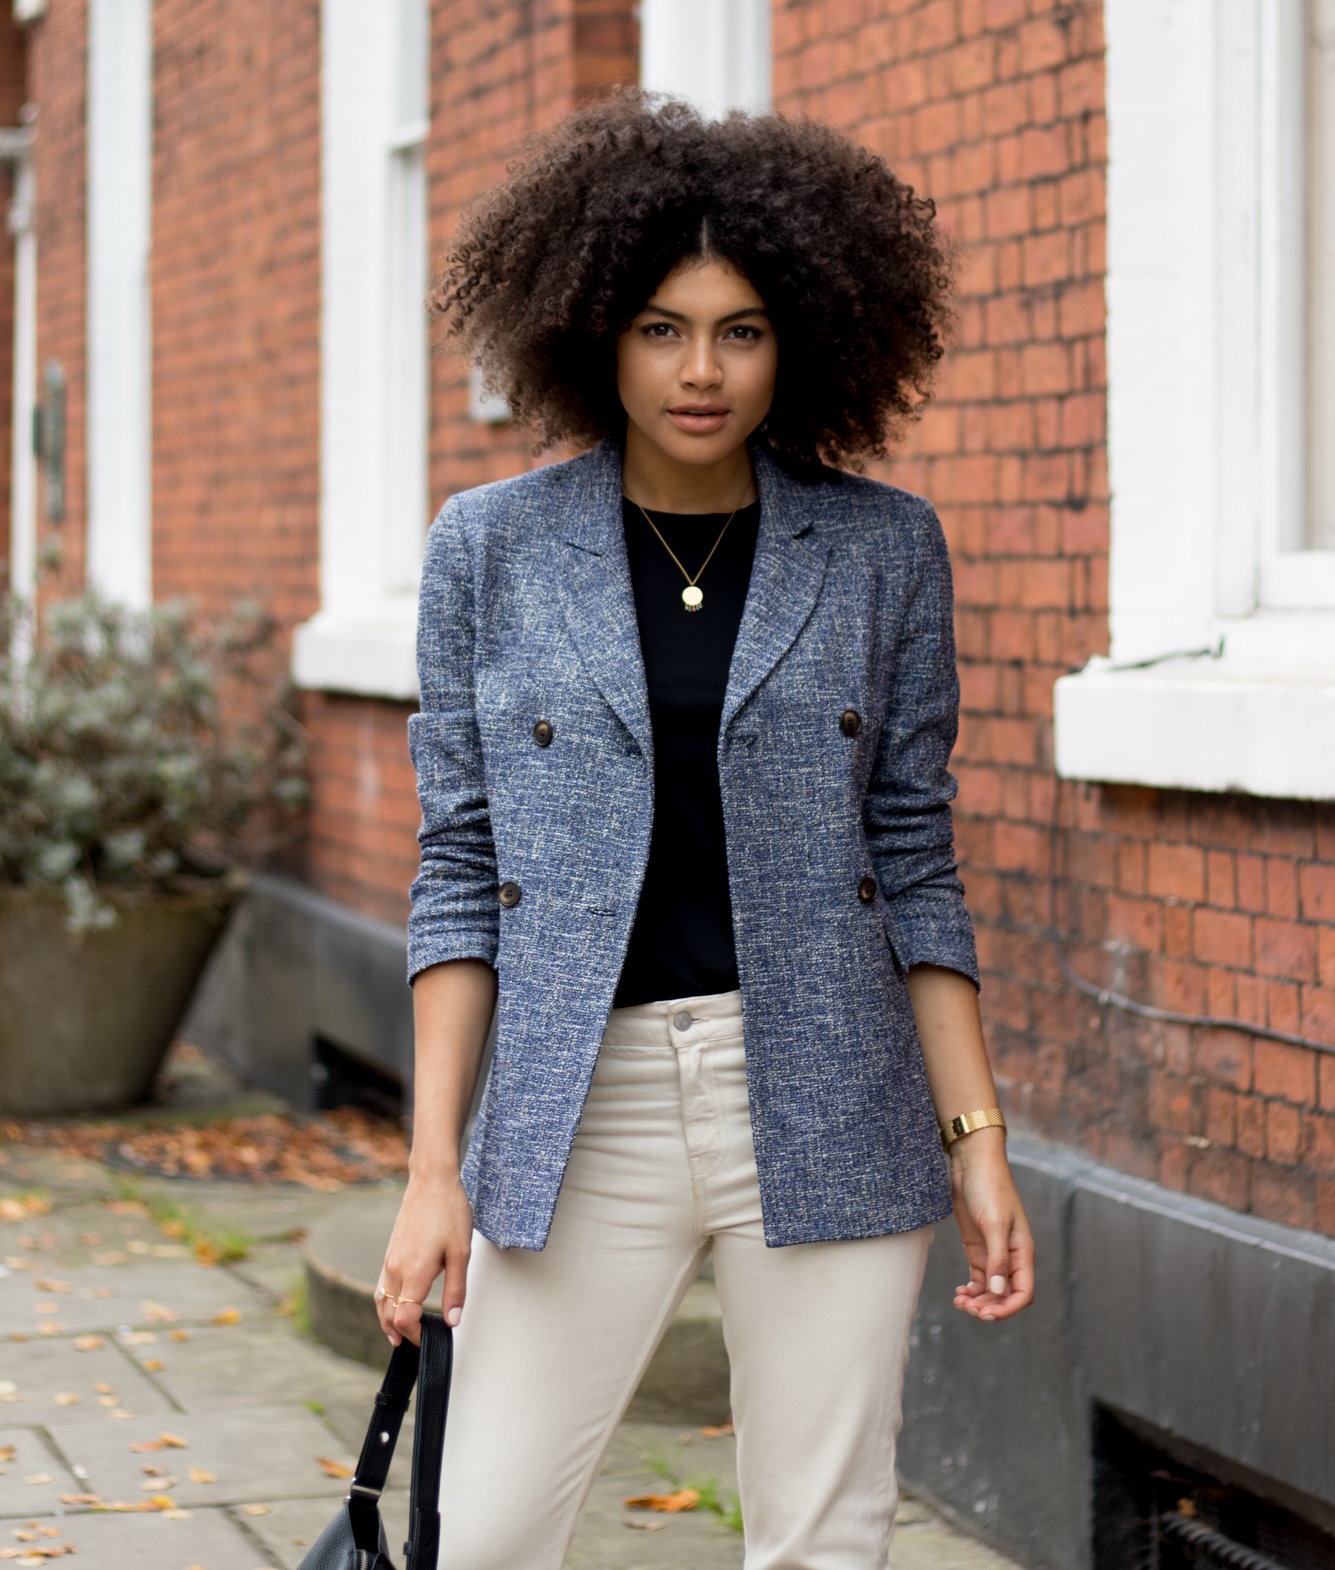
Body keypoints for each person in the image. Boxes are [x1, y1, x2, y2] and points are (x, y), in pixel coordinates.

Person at [376, 90, 1035, 1570]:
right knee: (478, 1536)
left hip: (825, 1091)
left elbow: (916, 861)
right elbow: (462, 874)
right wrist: (435, 1168)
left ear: (798, 337)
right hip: (577, 1097)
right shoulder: (487, 548)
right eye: (663, 326)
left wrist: (977, 1139)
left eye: (741, 329)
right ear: (594, 328)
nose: (702, 368)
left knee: (819, 1541)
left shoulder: (881, 548)